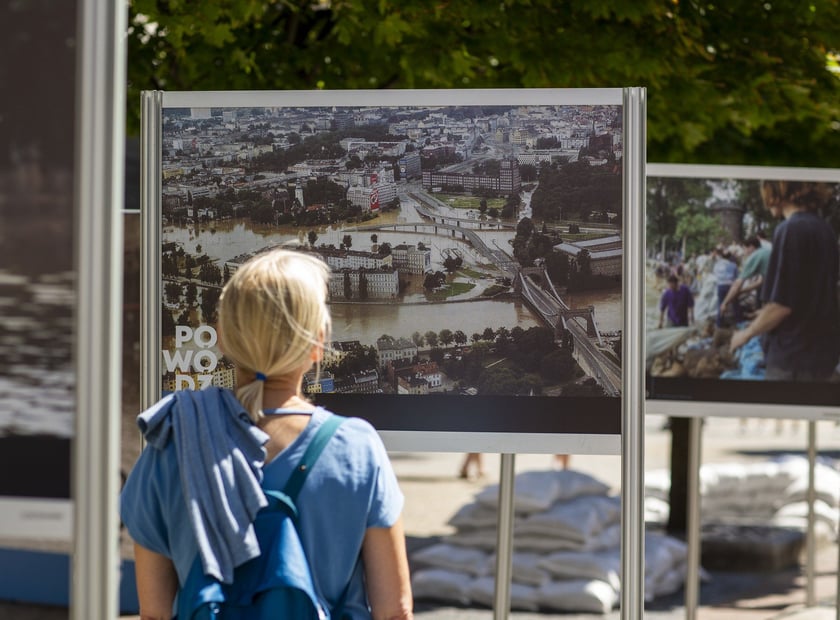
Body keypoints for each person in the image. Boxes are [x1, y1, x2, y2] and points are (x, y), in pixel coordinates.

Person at [120, 249, 414, 620]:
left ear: (223, 338)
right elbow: (395, 611)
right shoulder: (357, 448)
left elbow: (155, 613)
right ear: (318, 341)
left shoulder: (173, 438)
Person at [731, 181, 840, 381]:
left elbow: (782, 306)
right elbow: (808, 293)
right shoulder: (826, 231)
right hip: (821, 353)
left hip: (794, 358)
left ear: (777, 192)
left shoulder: (790, 229)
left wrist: (745, 334)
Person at [720, 236, 772, 318]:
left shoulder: (755, 256)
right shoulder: (767, 251)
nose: (744, 252)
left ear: (751, 247)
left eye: (744, 249)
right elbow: (759, 282)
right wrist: (742, 291)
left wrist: (725, 303)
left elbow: (737, 283)